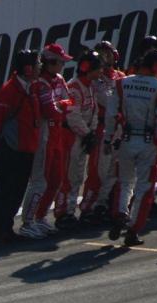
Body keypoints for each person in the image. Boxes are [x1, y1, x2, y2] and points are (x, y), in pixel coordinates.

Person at [107, 50, 157, 248]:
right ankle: (133, 229)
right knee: (145, 186)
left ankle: (120, 213)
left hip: (126, 139)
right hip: (148, 143)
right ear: (156, 66)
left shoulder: (122, 83)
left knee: (124, 181)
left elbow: (111, 113)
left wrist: (108, 138)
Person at [0, 50, 41, 244]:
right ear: (28, 69)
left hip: (26, 149)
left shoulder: (31, 87)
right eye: (37, 64)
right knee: (4, 191)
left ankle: (6, 228)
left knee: (17, 191)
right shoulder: (9, 90)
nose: (40, 67)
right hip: (11, 149)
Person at [20, 44, 74, 239]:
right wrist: (60, 106)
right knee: (39, 181)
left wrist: (59, 105)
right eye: (60, 62)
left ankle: (40, 216)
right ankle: (27, 222)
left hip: (57, 133)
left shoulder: (59, 79)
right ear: (50, 62)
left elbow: (70, 102)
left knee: (56, 180)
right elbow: (49, 111)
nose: (63, 66)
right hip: (43, 135)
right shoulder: (39, 83)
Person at [55, 51, 102, 229]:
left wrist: (92, 132)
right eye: (98, 68)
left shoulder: (90, 86)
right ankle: (62, 213)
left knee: (77, 177)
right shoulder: (73, 87)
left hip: (82, 137)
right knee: (68, 176)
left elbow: (94, 111)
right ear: (88, 68)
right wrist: (87, 133)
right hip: (71, 137)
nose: (100, 72)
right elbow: (72, 115)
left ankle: (70, 211)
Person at [80, 42, 126, 225]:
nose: (105, 57)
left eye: (108, 53)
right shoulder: (95, 80)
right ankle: (87, 208)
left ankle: (103, 204)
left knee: (114, 170)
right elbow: (107, 100)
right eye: (101, 53)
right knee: (98, 171)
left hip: (118, 128)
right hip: (102, 128)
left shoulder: (121, 77)